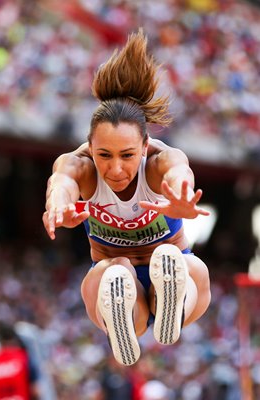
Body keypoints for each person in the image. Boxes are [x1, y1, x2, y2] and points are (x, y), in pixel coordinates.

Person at [43, 30, 211, 366]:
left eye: (127, 155)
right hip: (113, 281)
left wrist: (181, 197)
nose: (115, 168)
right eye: (104, 154)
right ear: (90, 148)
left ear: (145, 147)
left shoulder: (163, 161)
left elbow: (180, 173)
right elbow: (61, 181)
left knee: (186, 264)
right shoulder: (80, 166)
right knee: (112, 273)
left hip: (173, 270)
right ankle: (129, 322)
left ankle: (171, 307)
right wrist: (58, 205)